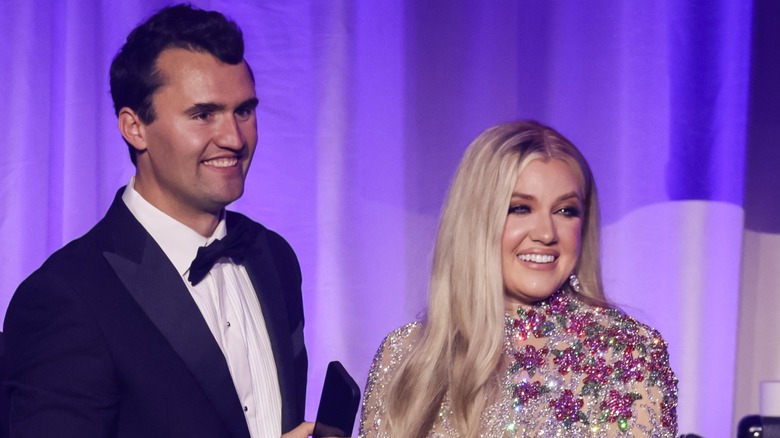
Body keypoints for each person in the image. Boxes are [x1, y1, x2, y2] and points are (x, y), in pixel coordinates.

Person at [2, 4, 313, 438]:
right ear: (134, 128)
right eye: (204, 114)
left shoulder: (273, 257)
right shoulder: (65, 297)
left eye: (243, 110)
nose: (234, 138)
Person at [358, 121, 678, 437]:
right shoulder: (406, 352)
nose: (546, 233)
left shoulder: (628, 352)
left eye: (566, 211)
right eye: (520, 208)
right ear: (475, 220)